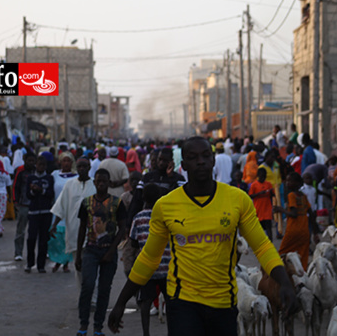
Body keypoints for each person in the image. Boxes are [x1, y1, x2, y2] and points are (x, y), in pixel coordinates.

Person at [109, 137, 296, 336]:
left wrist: (284, 282)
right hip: (183, 304)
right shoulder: (166, 205)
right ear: (183, 165)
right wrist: (121, 302)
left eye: (206, 156)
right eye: (193, 157)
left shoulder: (237, 200)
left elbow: (262, 247)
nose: (200, 161)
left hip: (224, 302)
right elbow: (148, 258)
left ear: (213, 159)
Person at [76, 169, 128, 336]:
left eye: (104, 181)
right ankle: (83, 325)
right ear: (94, 182)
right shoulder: (86, 203)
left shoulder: (117, 203)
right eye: (98, 181)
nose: (101, 184)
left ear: (108, 182)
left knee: (105, 289)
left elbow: (122, 229)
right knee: (88, 286)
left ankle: (98, 327)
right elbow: (82, 228)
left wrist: (112, 250)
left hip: (109, 252)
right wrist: (78, 254)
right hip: (90, 250)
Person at [129, 184, 170, 336]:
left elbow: (133, 242)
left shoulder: (138, 218)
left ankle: (146, 333)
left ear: (143, 198)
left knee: (145, 302)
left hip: (147, 268)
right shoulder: (165, 215)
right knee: (170, 302)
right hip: (166, 266)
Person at [50, 158, 97, 275]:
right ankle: (83, 292)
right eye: (79, 166)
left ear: (89, 168)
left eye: (84, 166)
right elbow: (62, 206)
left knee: (91, 267)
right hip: (74, 231)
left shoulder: (95, 184)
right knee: (79, 267)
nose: (81, 169)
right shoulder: (69, 185)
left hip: (93, 233)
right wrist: (54, 225)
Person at [275, 172, 320, 269]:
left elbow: (294, 214)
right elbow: (311, 214)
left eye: (290, 181)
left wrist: (280, 209)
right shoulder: (303, 196)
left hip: (293, 230)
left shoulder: (291, 195)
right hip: (304, 231)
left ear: (297, 183)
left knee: (282, 253)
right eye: (287, 181)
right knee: (302, 256)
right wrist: (315, 232)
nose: (287, 183)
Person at [25, 155, 54, 273]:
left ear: (46, 166)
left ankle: (41, 265)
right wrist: (33, 190)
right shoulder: (30, 178)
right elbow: (28, 195)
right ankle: (29, 263)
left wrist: (41, 190)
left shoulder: (49, 178)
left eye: (43, 165)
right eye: (38, 164)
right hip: (33, 212)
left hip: (46, 212)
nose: (40, 167)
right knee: (31, 238)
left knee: (43, 239)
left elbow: (51, 194)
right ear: (35, 165)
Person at [13, 153, 37, 261]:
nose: (31, 163)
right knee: (21, 230)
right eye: (29, 161)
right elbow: (15, 186)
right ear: (25, 160)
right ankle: (18, 252)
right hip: (23, 204)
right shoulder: (20, 171)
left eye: (33, 161)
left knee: (35, 231)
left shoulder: (37, 171)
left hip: (35, 205)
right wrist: (15, 201)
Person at [249, 167, 275, 240]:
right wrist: (259, 193)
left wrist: (271, 192)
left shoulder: (268, 184)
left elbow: (273, 195)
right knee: (259, 227)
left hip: (267, 208)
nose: (263, 178)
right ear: (258, 176)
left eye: (264, 176)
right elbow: (250, 195)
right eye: (261, 176)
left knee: (268, 226)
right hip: (258, 208)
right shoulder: (254, 185)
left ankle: (270, 242)